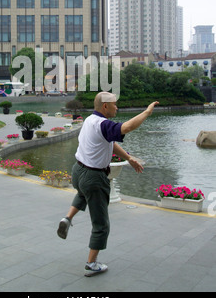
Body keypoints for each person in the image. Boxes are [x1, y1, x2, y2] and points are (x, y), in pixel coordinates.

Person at [57, 91, 159, 277]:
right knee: (101, 225)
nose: (117, 107)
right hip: (94, 177)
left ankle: (67, 218)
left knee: (82, 193)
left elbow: (110, 143)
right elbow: (127, 128)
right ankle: (91, 263)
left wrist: (128, 158)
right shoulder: (103, 124)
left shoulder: (89, 120)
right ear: (105, 106)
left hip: (78, 172)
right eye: (114, 104)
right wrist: (146, 112)